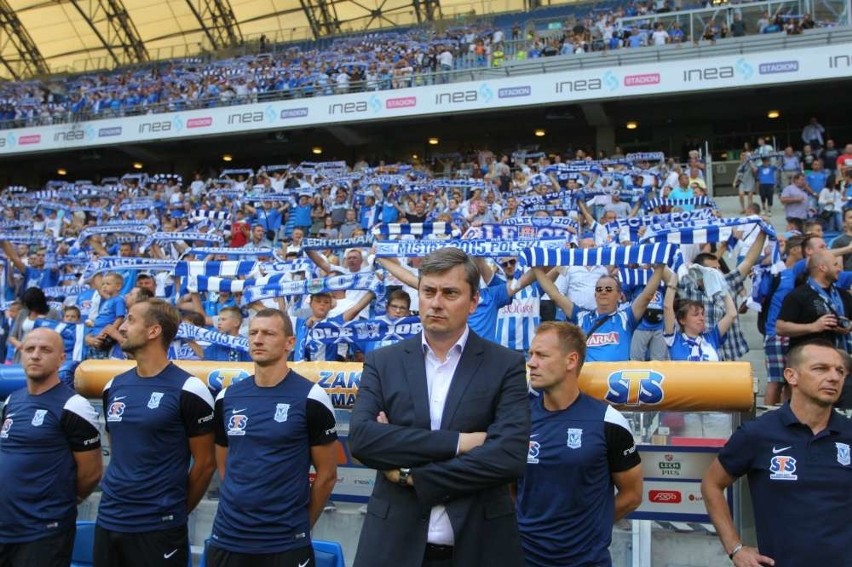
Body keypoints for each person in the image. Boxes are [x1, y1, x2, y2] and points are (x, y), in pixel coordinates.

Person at [349, 247, 530, 567]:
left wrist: (411, 474)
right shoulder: (383, 362)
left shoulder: (506, 365)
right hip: (392, 547)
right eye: (428, 291)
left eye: (450, 293)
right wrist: (461, 443)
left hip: (480, 547)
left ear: (474, 301)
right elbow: (363, 439)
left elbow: (508, 457)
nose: (436, 302)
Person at [701, 340, 852, 566]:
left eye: (840, 371)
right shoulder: (758, 433)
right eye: (820, 368)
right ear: (792, 376)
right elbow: (711, 484)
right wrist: (736, 548)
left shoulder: (848, 433)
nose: (834, 377)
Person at [206, 308, 338, 567]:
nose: (257, 339)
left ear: (290, 342)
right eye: (253, 332)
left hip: (285, 542)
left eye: (268, 333)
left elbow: (327, 475)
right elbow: (225, 464)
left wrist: (299, 526)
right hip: (228, 537)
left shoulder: (311, 397)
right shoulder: (227, 397)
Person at [94, 299, 216, 567]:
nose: (122, 328)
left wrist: (174, 512)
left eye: (130, 320)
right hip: (109, 519)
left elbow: (206, 465)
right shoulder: (114, 386)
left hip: (158, 528)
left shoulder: (189, 389)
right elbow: (119, 451)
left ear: (153, 331)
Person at [516, 322, 642, 566]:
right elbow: (513, 490)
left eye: (541, 355)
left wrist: (590, 527)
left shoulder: (608, 421)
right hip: (525, 559)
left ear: (571, 361)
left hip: (587, 561)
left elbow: (633, 494)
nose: (531, 363)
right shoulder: (519, 420)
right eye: (530, 354)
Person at [0, 328, 102, 567]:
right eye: (29, 349)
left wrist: (56, 504)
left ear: (61, 359)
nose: (35, 355)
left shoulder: (74, 405)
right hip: (5, 527)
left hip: (43, 533)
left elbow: (91, 473)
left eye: (45, 350)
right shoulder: (13, 400)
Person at [533, 264, 665, 362]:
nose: (603, 292)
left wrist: (660, 266)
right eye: (599, 289)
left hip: (616, 385)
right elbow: (554, 294)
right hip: (588, 384)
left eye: (608, 289)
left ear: (619, 295)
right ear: (595, 294)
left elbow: (647, 295)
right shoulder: (581, 316)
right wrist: (536, 269)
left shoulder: (626, 317)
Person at [776, 250, 852, 352]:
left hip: (840, 357)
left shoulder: (844, 295)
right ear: (822, 267)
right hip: (809, 358)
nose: (839, 269)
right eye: (835, 265)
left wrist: (849, 326)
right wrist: (813, 327)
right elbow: (780, 327)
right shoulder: (798, 295)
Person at [663, 271, 737, 361]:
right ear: (682, 320)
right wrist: (675, 276)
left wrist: (721, 285)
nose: (702, 318)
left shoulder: (711, 337)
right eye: (696, 315)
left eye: (702, 314)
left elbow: (732, 314)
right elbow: (667, 307)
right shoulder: (674, 339)